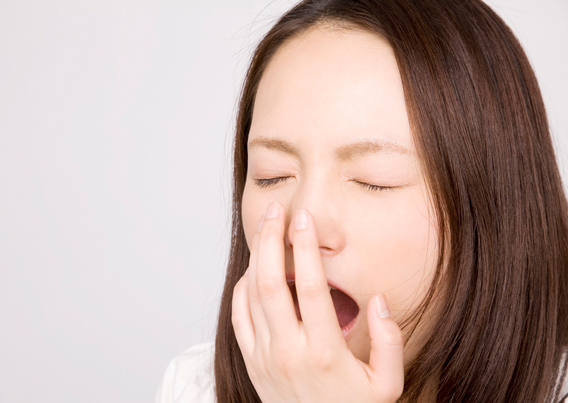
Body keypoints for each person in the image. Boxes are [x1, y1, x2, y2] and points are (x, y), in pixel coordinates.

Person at [156, 0, 568, 401]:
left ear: (491, 209)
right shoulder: (193, 388)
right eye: (271, 174)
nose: (305, 222)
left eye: (374, 181)